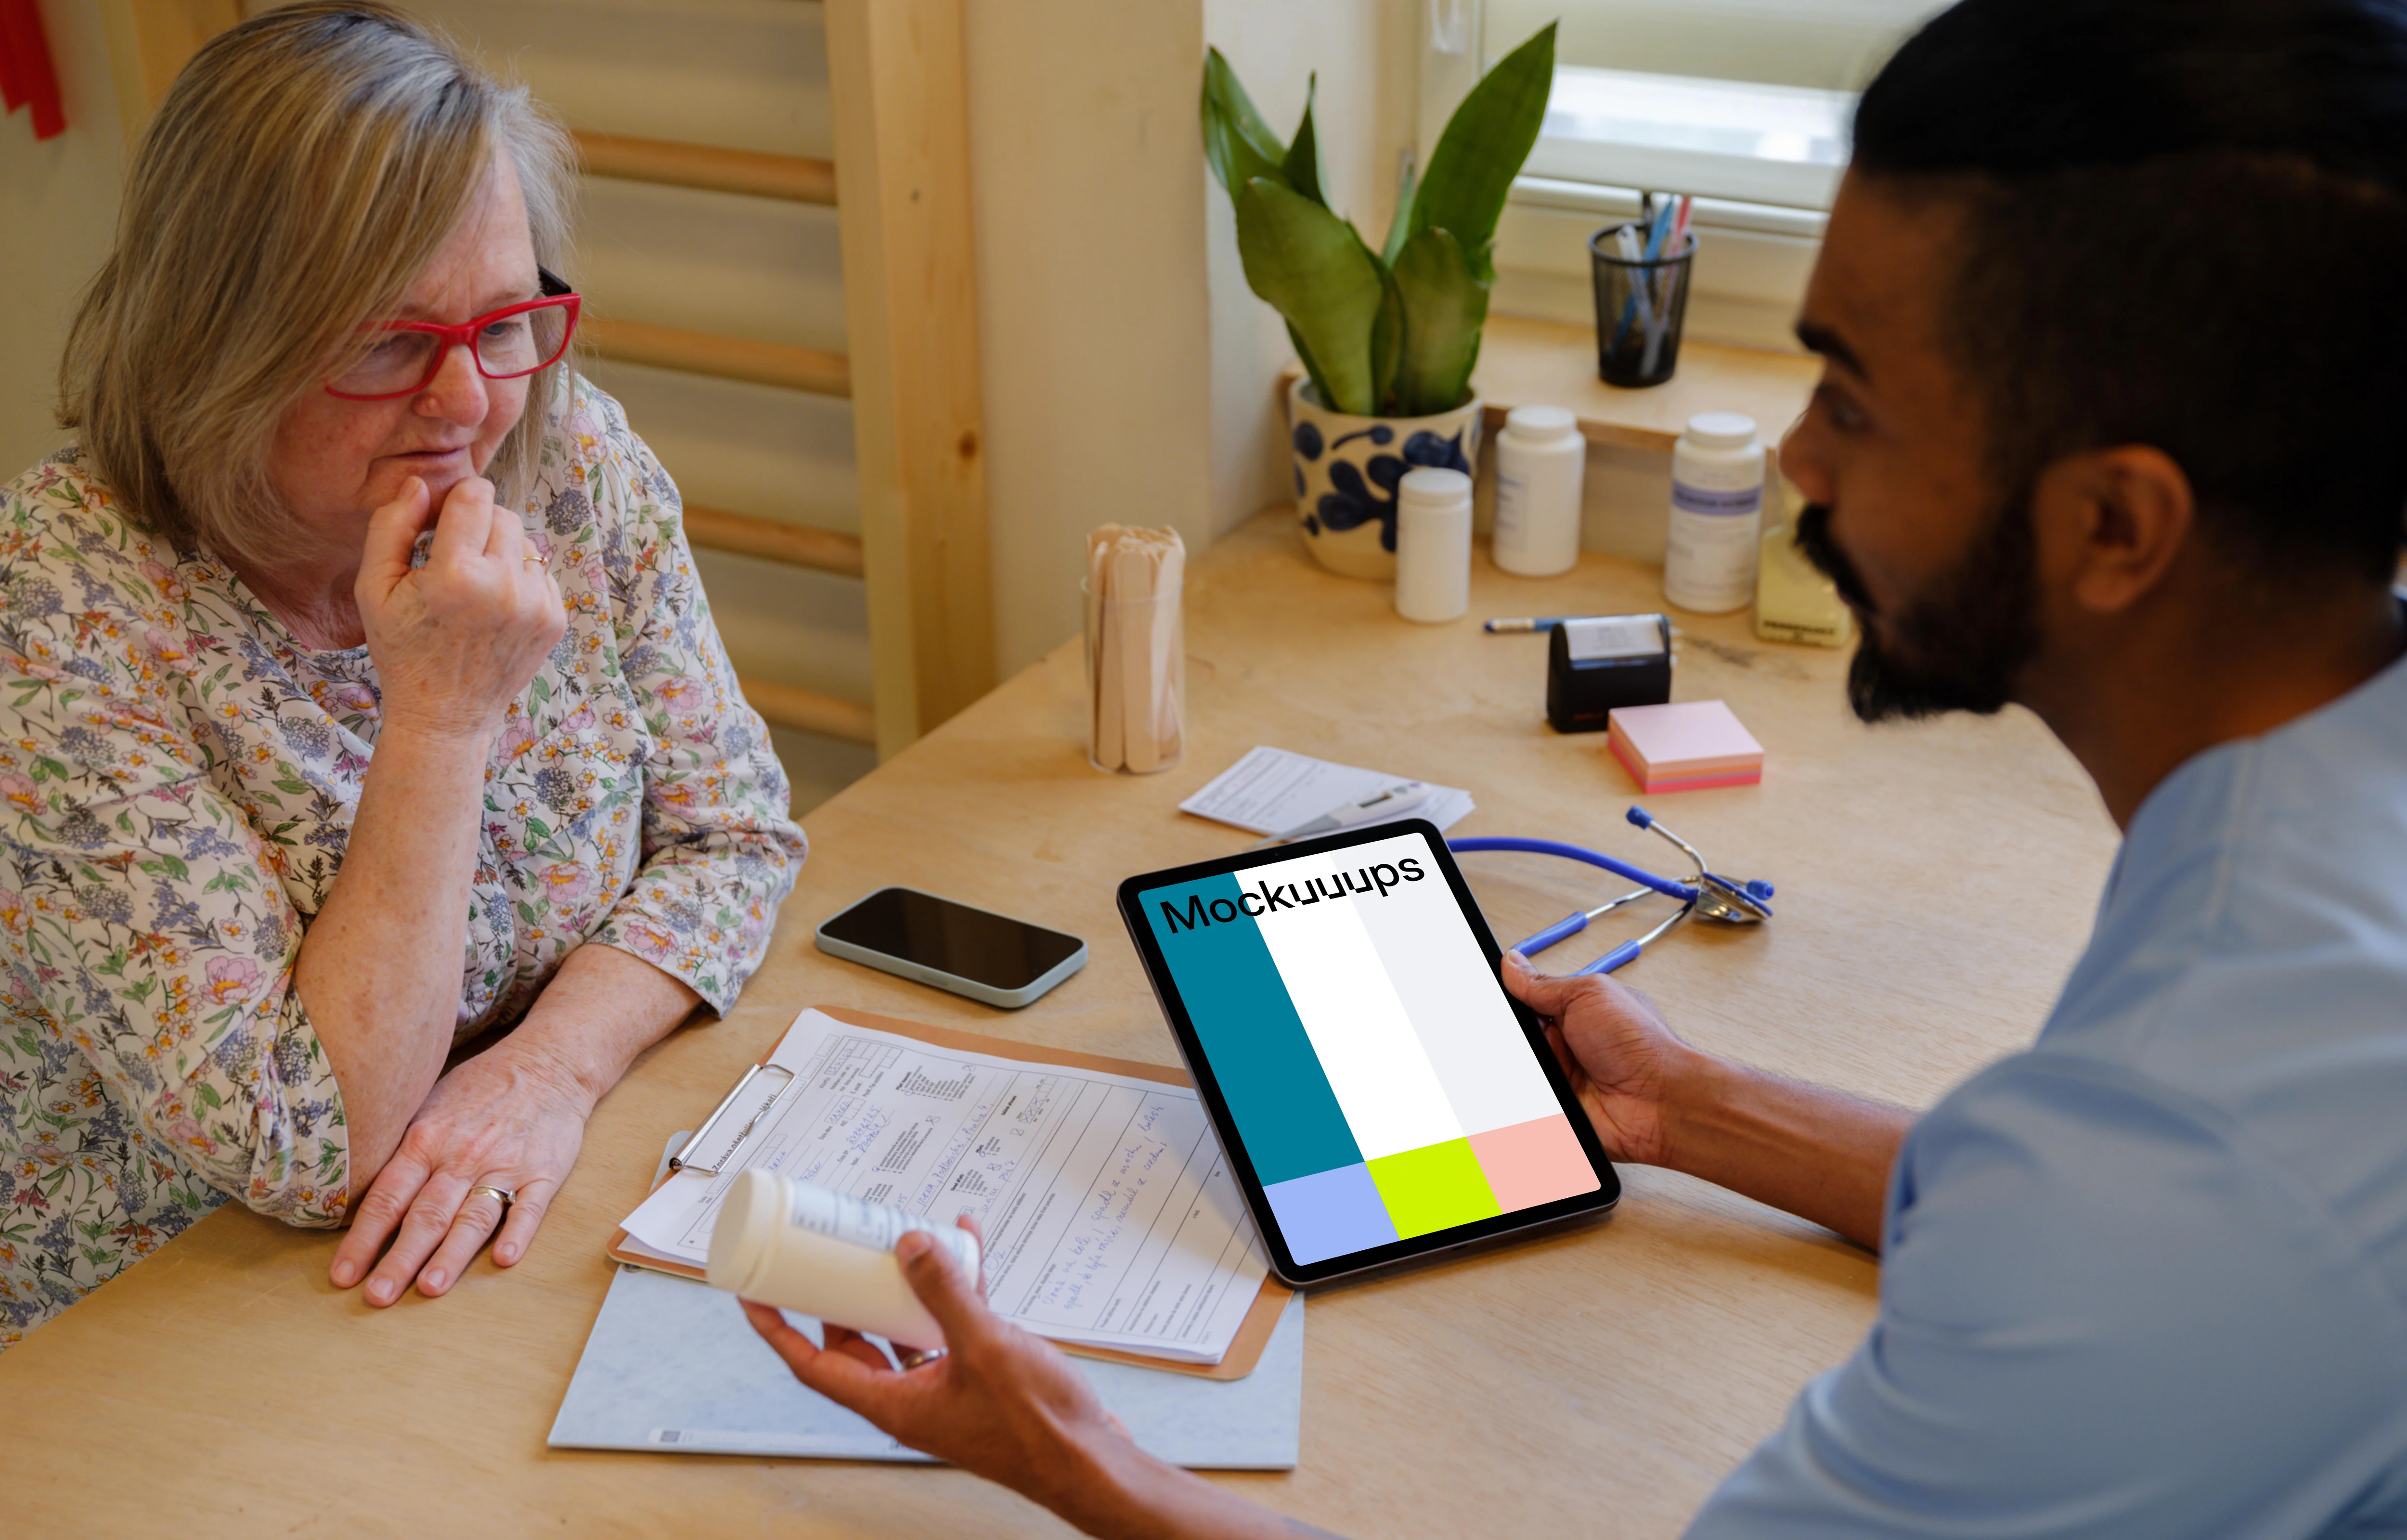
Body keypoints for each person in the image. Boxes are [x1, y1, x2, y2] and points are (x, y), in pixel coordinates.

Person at [741, 0, 2407, 1533]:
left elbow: (2133, 1220)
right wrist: (1689, 1104)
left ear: (2118, 524)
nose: (1803, 462)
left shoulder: (2208, 1142)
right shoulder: (2315, 821)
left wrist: (1076, 1459)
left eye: (1857, 399)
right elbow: (2075, 1206)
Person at [0, 3, 806, 1348]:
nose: (467, 407)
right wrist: (440, 717)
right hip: (168, 1327)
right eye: (386, 344)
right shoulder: (56, 615)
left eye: (502, 322)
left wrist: (547, 1072)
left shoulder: (565, 455)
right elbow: (305, 1143)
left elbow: (735, 836)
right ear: (216, 343)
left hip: (493, 1224)